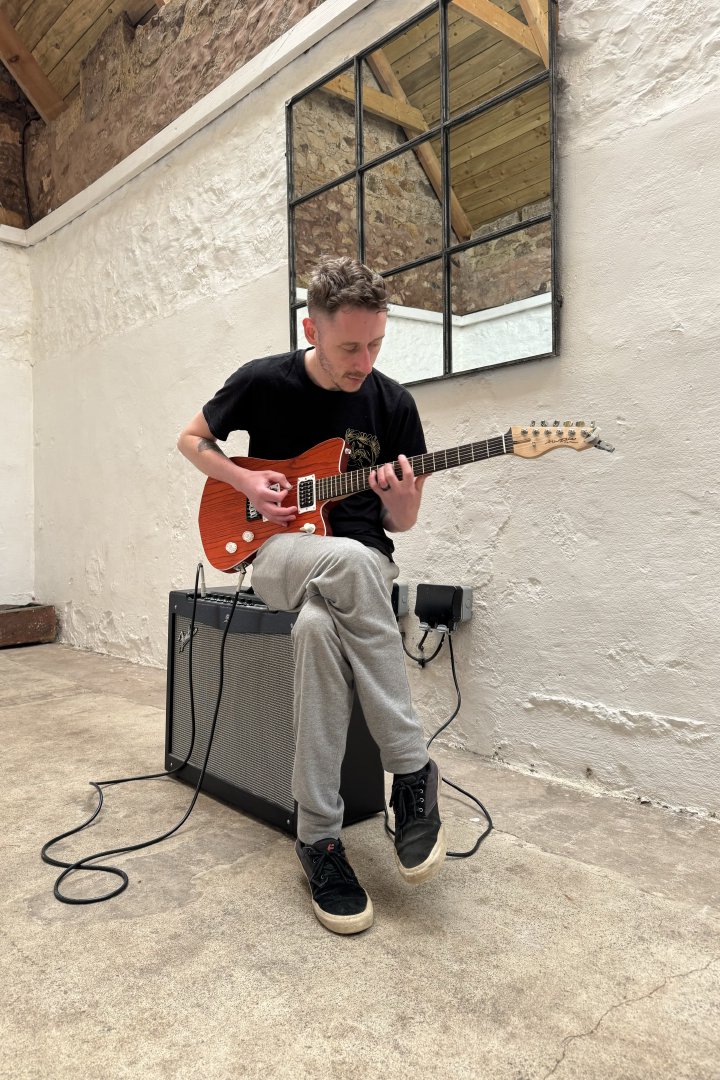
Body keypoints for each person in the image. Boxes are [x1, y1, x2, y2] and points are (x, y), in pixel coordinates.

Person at [177, 256, 445, 935]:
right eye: (350, 345)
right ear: (312, 329)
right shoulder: (263, 380)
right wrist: (243, 483)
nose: (365, 359)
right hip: (277, 552)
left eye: (377, 343)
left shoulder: (394, 405)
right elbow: (191, 439)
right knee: (347, 565)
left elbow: (401, 525)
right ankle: (411, 773)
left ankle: (319, 838)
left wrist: (403, 496)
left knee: (319, 630)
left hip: (361, 563)